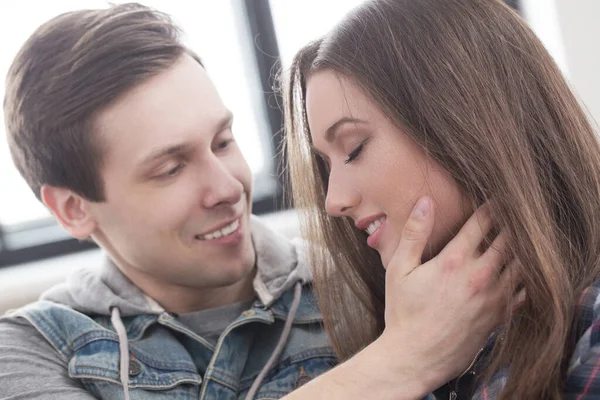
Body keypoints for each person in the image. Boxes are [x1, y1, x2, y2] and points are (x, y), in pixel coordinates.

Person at [0, 2, 513, 400]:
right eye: (171, 168)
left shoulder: (368, 279)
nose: (227, 187)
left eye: (223, 141)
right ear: (73, 208)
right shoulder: (26, 354)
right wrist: (404, 358)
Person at [282, 0, 600, 399]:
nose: (334, 201)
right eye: (327, 166)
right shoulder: (412, 332)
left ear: (467, 120)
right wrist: (402, 356)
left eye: (354, 148)